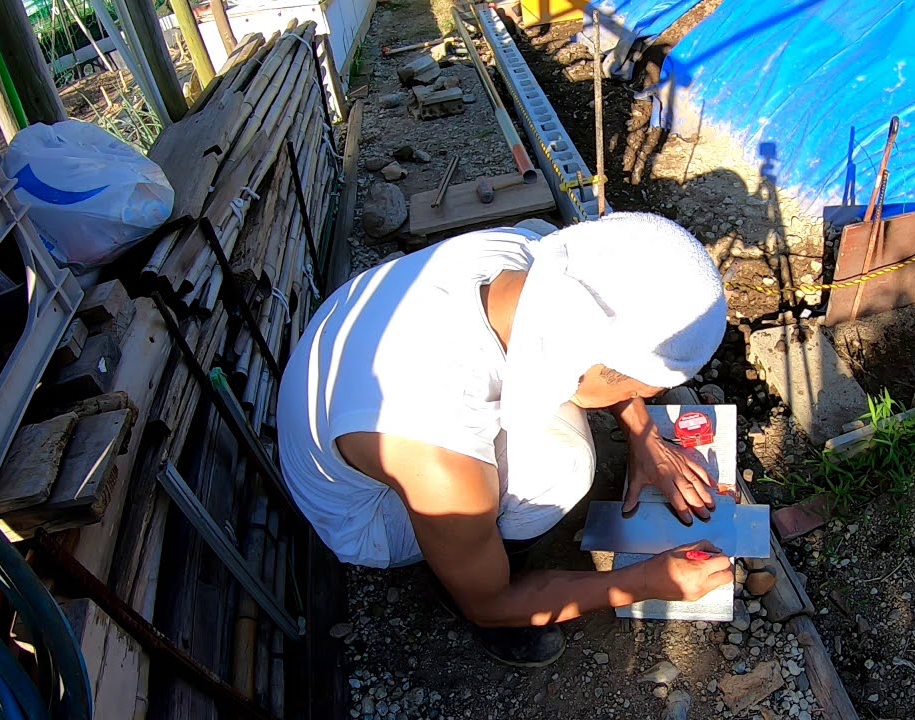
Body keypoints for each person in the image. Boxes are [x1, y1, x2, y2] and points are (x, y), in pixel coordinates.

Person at [277, 212, 735, 667]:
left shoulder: (526, 256)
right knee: (564, 465)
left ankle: (470, 549)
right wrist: (646, 582)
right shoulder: (437, 455)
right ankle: (458, 577)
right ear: (583, 358)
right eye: (636, 392)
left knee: (560, 423)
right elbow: (489, 603)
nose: (638, 403)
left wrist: (645, 437)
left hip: (360, 397)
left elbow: (602, 347)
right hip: (366, 512)